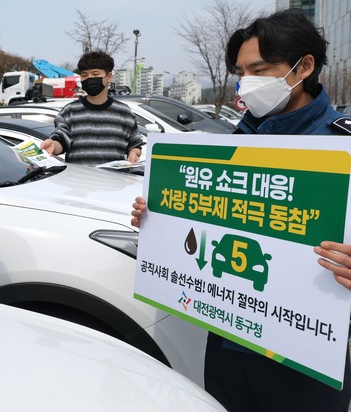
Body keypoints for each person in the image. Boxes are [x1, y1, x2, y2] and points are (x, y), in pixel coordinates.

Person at [131, 10, 351, 412]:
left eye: (259, 70)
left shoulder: (342, 147)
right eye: (240, 72)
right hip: (228, 345)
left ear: (304, 67)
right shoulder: (236, 142)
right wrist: (157, 216)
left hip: (305, 364)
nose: (246, 82)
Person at [39, 50, 144, 166]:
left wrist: (134, 153)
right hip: (77, 177)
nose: (89, 78)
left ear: (109, 77)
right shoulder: (69, 112)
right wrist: (53, 145)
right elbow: (61, 141)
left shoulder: (124, 113)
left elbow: (135, 144)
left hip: (113, 177)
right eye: (84, 75)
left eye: (95, 74)